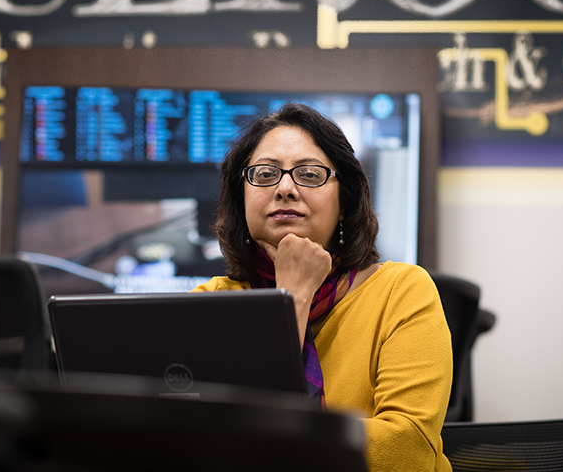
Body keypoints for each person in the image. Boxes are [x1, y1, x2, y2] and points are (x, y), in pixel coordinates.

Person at [192, 103, 453, 472]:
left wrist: (274, 448)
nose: (284, 188)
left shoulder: (403, 291)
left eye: (309, 174)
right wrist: (293, 298)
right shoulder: (206, 306)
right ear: (241, 199)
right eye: (265, 174)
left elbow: (408, 452)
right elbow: (197, 449)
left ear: (344, 201)